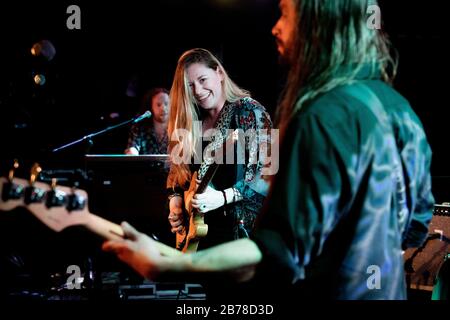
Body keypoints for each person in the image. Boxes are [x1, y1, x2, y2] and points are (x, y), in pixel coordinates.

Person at [103, 0, 434, 301]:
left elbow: (279, 248)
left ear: (315, 23)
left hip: (251, 247)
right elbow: (417, 224)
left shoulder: (309, 114)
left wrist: (169, 264)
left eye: (285, 13)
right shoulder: (400, 108)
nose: (276, 26)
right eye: (189, 86)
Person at [165, 48, 272, 250]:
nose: (197, 91)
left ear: (219, 73)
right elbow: (177, 175)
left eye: (203, 79)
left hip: (240, 239)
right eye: (190, 85)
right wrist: (176, 203)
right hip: (198, 239)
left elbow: (267, 173)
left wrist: (222, 197)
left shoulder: (248, 110)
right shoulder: (192, 120)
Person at [125, 87, 170, 155]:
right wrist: (132, 152)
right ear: (151, 107)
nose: (163, 108)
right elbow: (133, 147)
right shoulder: (140, 126)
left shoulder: (178, 126)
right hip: (146, 165)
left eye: (166, 104)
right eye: (158, 105)